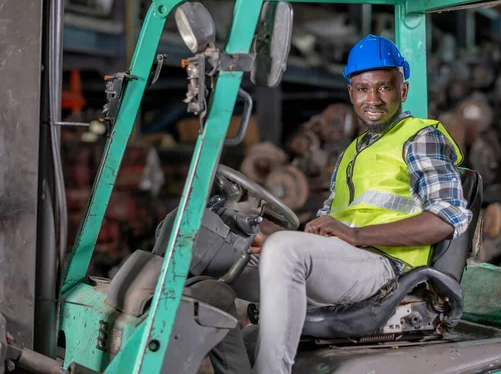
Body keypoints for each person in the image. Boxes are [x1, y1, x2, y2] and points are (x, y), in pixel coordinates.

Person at [156, 34, 472, 374]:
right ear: (351, 93)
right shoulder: (353, 152)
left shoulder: (421, 137)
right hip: (345, 264)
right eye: (363, 88)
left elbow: (444, 219)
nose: (373, 98)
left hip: (387, 268)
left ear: (403, 91)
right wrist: (268, 236)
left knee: (285, 251)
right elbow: (327, 225)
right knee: (214, 277)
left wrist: (353, 234)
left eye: (385, 87)